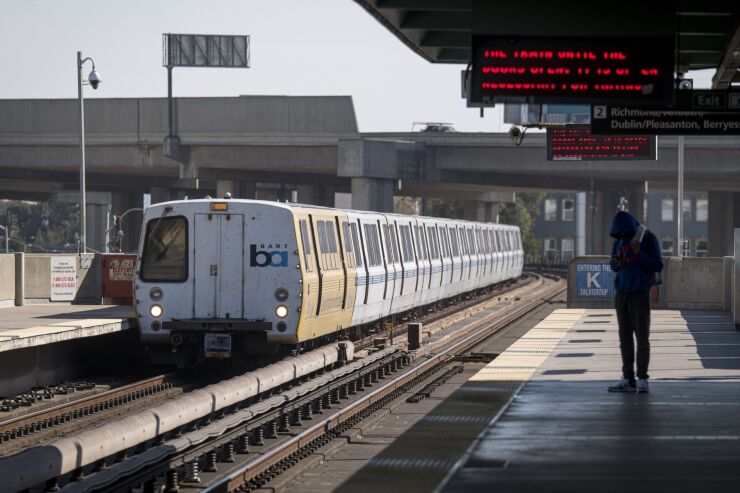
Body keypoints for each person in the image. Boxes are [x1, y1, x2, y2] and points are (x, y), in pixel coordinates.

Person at [607, 211, 663, 394]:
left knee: (642, 338)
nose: (622, 236)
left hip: (639, 293)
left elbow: (658, 265)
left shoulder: (648, 239)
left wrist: (638, 255)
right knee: (624, 338)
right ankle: (628, 378)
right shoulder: (620, 239)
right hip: (622, 293)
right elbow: (614, 261)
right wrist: (615, 263)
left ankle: (643, 379)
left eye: (624, 233)